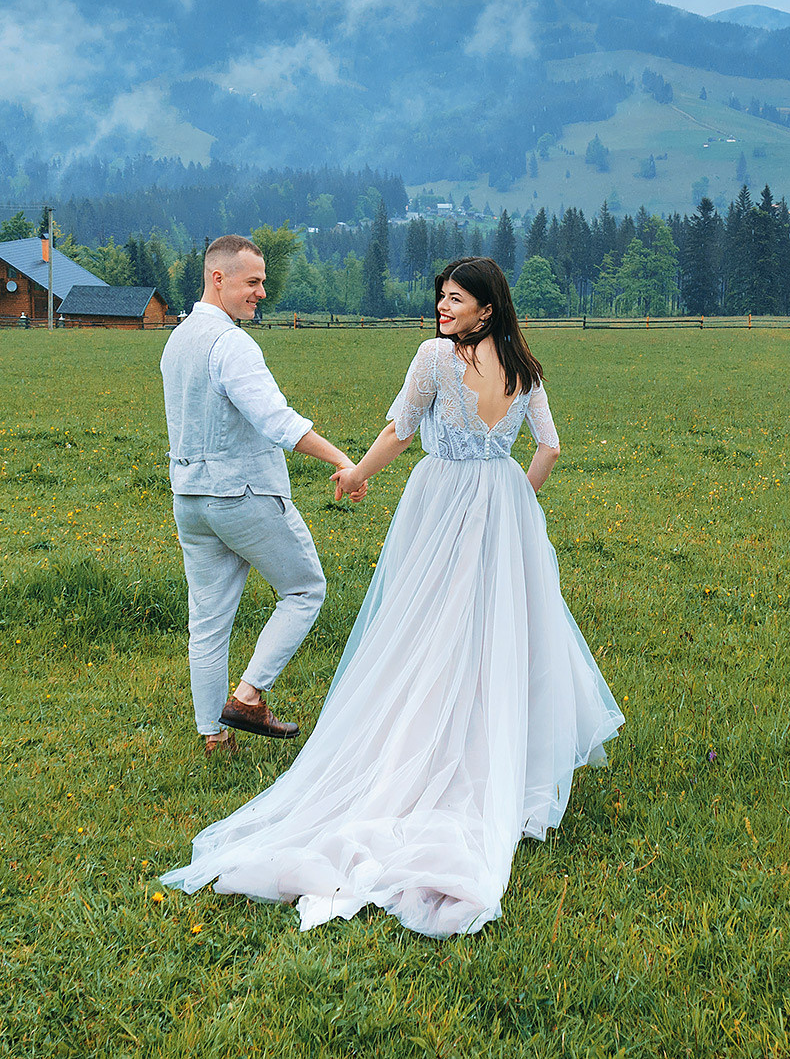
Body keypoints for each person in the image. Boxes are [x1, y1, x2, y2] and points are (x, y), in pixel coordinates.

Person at [161, 257, 623, 937]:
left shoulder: (434, 359)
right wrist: (513, 501)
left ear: (486, 309)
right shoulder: (526, 368)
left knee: (424, 626)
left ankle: (410, 747)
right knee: (498, 632)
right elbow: (549, 448)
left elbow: (400, 433)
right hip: (503, 506)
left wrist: (355, 475)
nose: (442, 307)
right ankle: (494, 757)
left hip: (440, 501)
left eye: (456, 299)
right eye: (440, 297)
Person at [160, 234, 366, 757]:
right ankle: (248, 696)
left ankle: (214, 739)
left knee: (206, 620)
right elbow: (277, 421)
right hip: (242, 493)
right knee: (304, 590)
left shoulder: (177, 339)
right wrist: (343, 459)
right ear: (218, 278)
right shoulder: (230, 344)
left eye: (263, 283)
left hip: (190, 498)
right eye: (252, 282)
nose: (261, 293)